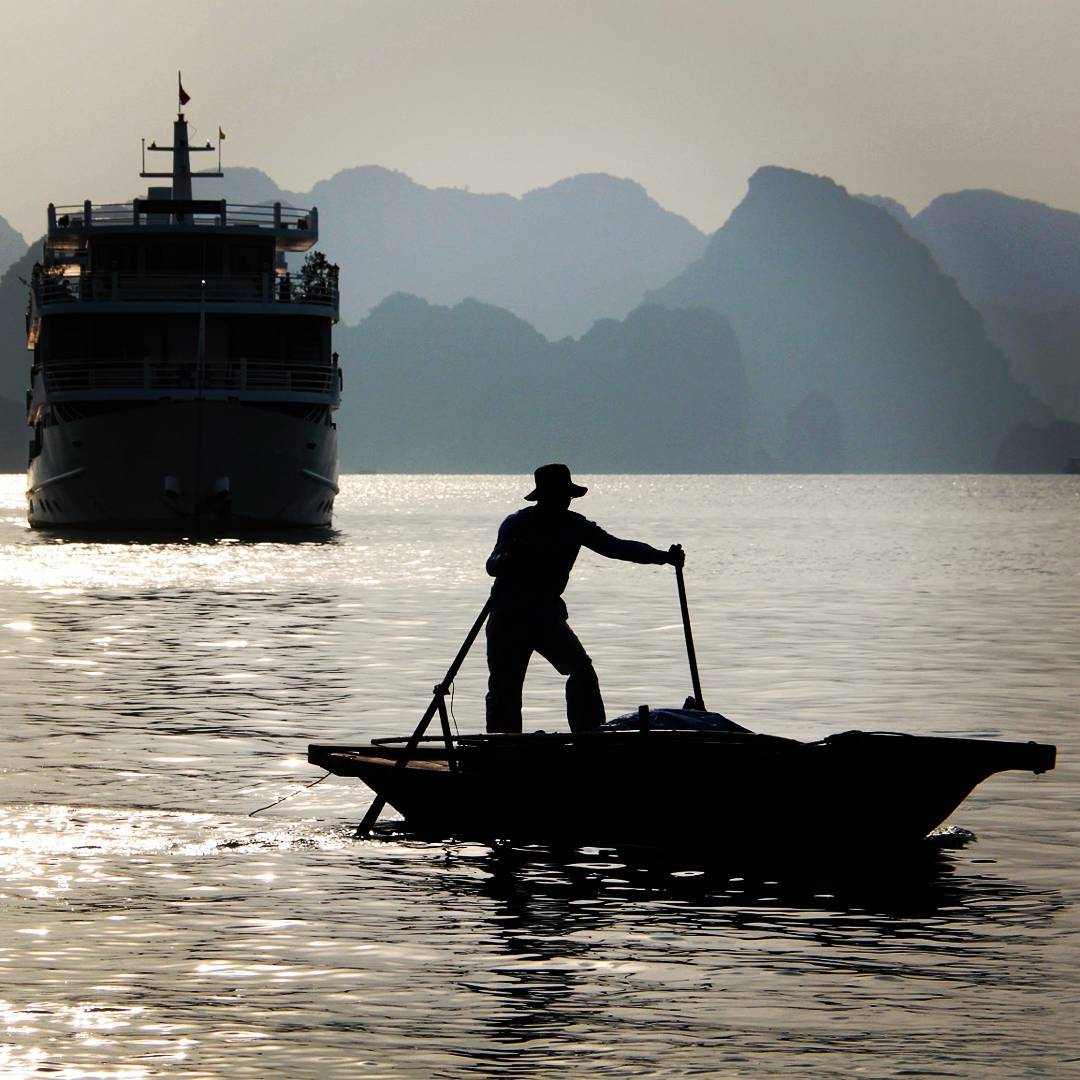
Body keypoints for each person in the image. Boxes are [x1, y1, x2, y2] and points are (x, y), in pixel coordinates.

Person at [485, 463, 684, 734]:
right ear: (545, 496)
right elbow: (492, 565)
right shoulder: (517, 523)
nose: (565, 500)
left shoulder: (574, 525)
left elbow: (616, 547)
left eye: (567, 495)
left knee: (581, 670)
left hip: (546, 616)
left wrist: (662, 557)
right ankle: (501, 751)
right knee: (505, 688)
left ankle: (589, 738)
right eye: (560, 494)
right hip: (509, 616)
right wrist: (507, 559)